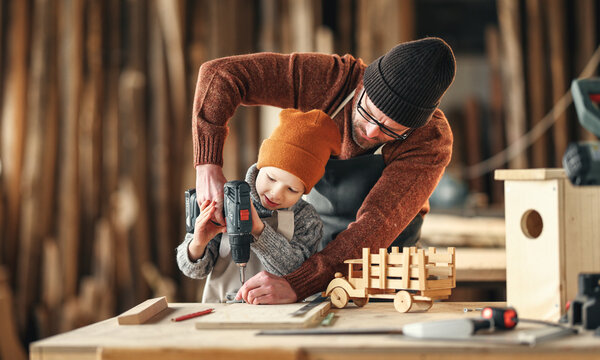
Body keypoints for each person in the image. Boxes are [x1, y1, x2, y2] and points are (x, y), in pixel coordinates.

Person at [191, 37, 456, 305]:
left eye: (392, 130)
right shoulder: (330, 80)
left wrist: (298, 283)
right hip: (314, 254)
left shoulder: (430, 140)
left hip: (386, 271)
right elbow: (220, 75)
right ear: (363, 84)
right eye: (368, 112)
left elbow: (376, 223)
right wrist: (208, 165)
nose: (372, 131)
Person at [177, 108, 341, 303]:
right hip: (220, 312)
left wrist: (259, 231)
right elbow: (192, 271)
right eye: (271, 178)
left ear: (304, 192)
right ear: (260, 166)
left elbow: (296, 273)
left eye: (292, 190)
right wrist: (198, 244)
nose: (276, 193)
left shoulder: (306, 219)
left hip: (279, 315)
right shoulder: (225, 200)